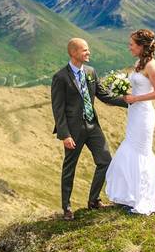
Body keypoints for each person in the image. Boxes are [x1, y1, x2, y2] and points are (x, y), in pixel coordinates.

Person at [50, 37, 128, 220]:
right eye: (85, 50)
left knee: (105, 161)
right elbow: (58, 109)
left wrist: (129, 102)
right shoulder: (60, 77)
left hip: (93, 127)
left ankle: (93, 200)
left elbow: (104, 96)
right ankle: (67, 207)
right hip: (73, 132)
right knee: (70, 168)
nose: (88, 53)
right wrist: (65, 135)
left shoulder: (91, 72)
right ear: (73, 53)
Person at [105, 29, 155, 215]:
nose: (129, 47)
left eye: (132, 44)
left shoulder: (151, 66)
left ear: (141, 46)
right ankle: (130, 195)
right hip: (134, 114)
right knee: (129, 150)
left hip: (144, 114)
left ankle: (142, 200)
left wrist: (136, 99)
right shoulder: (139, 63)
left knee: (140, 152)